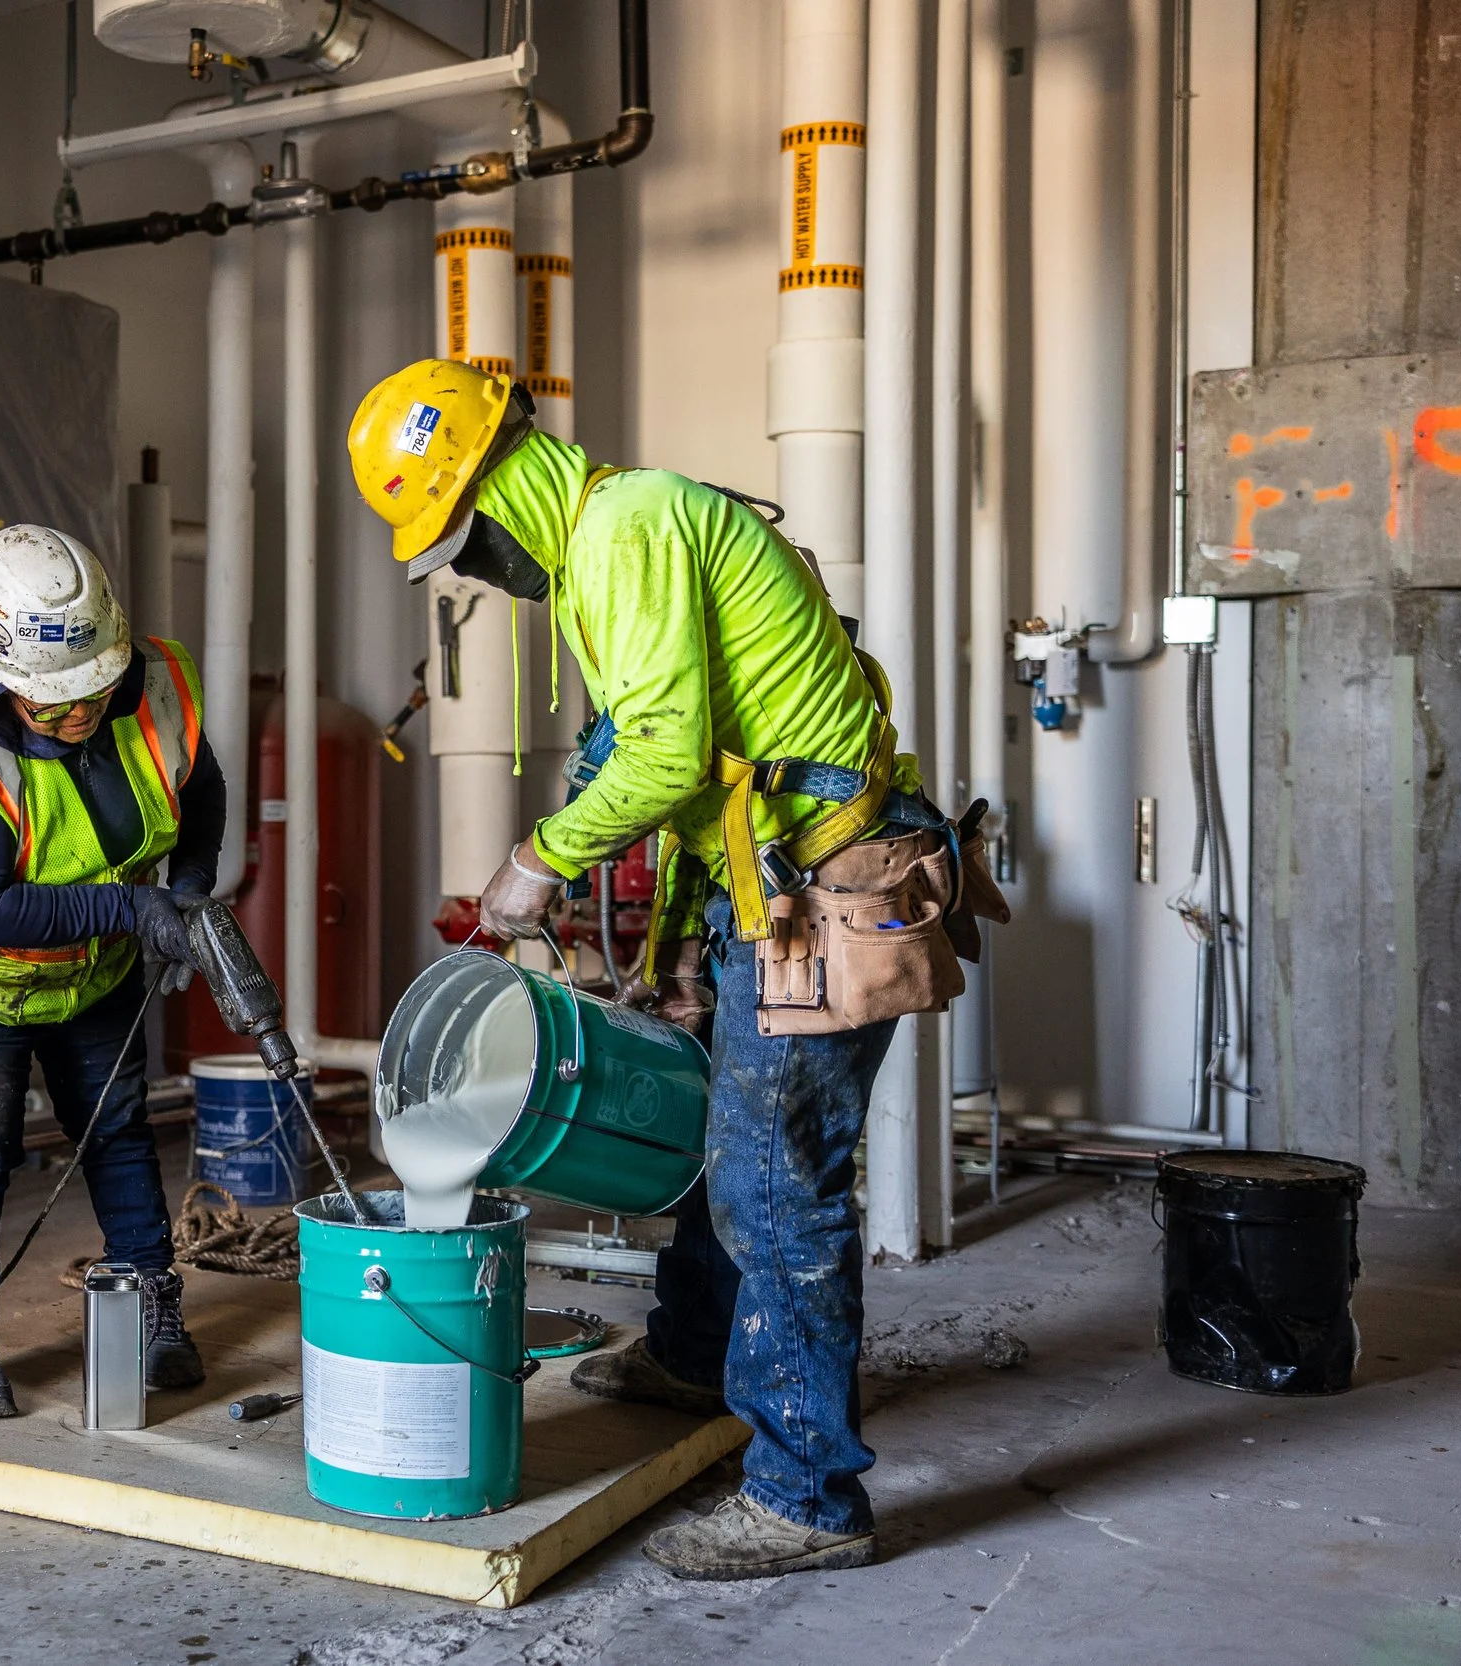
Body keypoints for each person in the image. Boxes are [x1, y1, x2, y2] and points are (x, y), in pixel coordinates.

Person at [347, 359, 996, 1580]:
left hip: (828, 892)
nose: (470, 567)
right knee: (723, 1132)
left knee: (775, 1182)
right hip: (772, 881)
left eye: (458, 538)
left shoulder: (625, 525)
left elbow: (661, 749)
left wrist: (538, 859)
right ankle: (697, 1351)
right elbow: (704, 761)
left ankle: (805, 1495)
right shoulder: (619, 534)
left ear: (497, 485)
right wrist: (677, 940)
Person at [0, 523, 222, 1420]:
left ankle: (151, 1303)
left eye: (91, 690)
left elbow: (199, 788)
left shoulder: (155, 687)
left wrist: (186, 889)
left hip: (93, 963)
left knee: (118, 1122)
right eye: (50, 703)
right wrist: (133, 912)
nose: (78, 715)